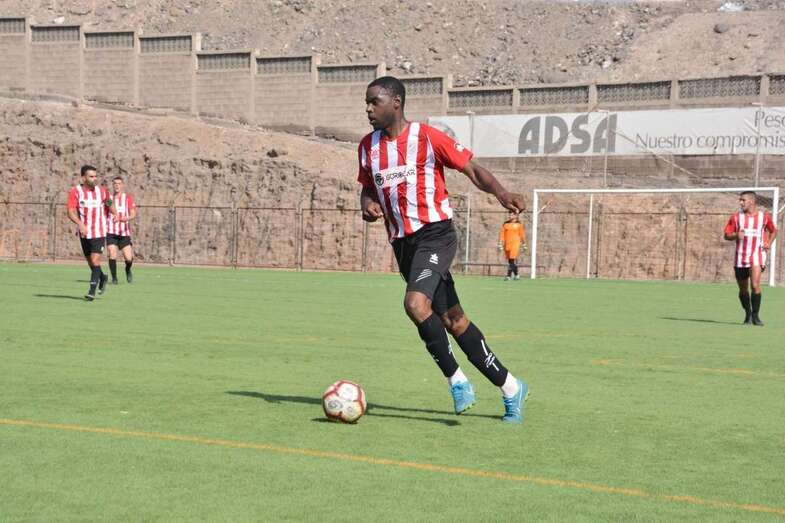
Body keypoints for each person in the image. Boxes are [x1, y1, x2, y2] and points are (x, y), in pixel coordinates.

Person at [357, 76, 529, 423]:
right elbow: (366, 188)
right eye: (367, 102)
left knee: (415, 304)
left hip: (435, 234)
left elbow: (472, 170)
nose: (368, 109)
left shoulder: (427, 138)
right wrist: (368, 205)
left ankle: (457, 380)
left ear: (396, 102)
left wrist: (502, 193)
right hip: (403, 244)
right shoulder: (367, 146)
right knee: (454, 319)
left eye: (374, 101)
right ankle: (511, 386)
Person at [723, 191, 777, 326]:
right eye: (740, 200)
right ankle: (747, 314)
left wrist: (768, 243)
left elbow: (774, 230)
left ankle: (756, 316)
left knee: (755, 285)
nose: (741, 203)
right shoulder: (736, 218)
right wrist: (735, 235)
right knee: (743, 289)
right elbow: (726, 235)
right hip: (740, 257)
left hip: (756, 256)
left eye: (743, 200)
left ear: (752, 201)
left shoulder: (764, 217)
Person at [66, 165, 118, 301]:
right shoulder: (75, 192)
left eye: (95, 176)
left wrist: (115, 213)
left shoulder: (103, 191)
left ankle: (91, 291)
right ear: (83, 177)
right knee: (91, 263)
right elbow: (70, 211)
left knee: (95, 260)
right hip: (84, 233)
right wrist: (80, 223)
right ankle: (103, 277)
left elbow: (109, 202)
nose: (94, 179)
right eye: (91, 176)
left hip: (99, 232)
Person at [106, 176, 136, 284]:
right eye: (115, 183)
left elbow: (133, 214)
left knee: (128, 258)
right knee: (112, 254)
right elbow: (107, 207)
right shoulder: (108, 199)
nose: (117, 185)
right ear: (113, 185)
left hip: (124, 233)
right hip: (111, 232)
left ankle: (128, 270)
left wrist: (125, 218)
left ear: (122, 185)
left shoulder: (127, 198)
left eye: (119, 183)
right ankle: (114, 278)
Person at [499, 211, 526, 280]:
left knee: (512, 259)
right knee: (510, 261)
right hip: (507, 244)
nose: (510, 216)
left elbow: (522, 234)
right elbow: (502, 234)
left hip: (515, 244)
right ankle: (517, 275)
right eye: (509, 215)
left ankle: (508, 276)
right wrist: (500, 243)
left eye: (511, 215)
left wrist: (524, 243)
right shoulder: (505, 224)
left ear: (515, 216)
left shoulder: (519, 224)